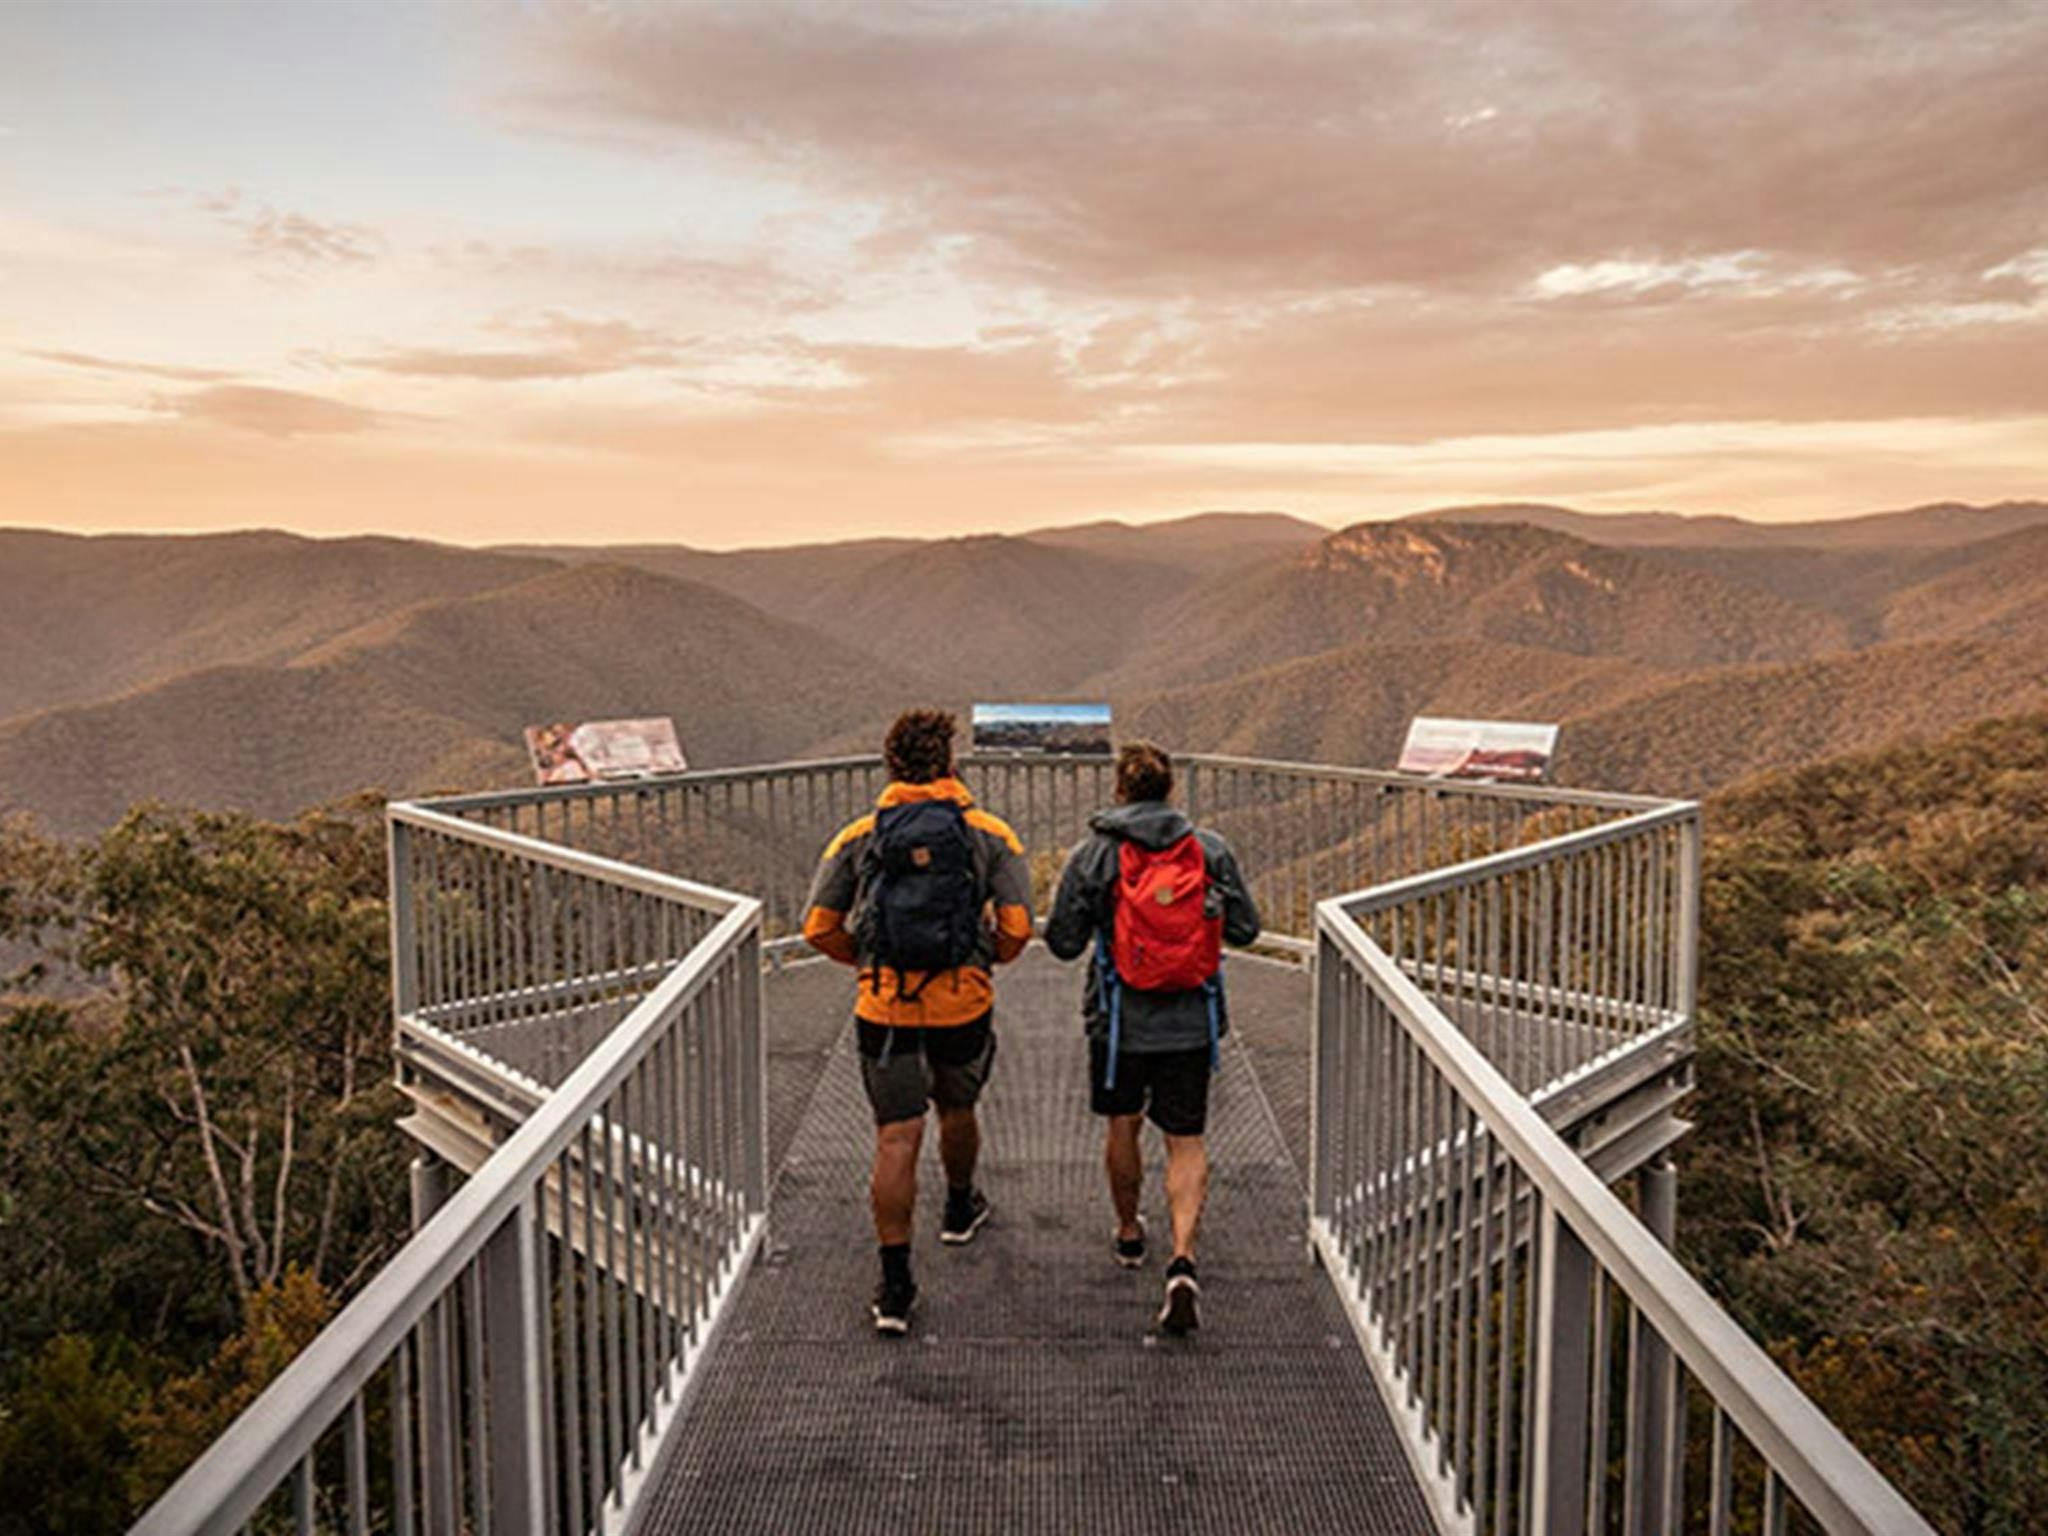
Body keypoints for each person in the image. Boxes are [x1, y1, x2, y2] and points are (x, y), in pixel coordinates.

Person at [803, 708, 1033, 1335]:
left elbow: (817, 928)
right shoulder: (990, 834)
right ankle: (959, 1209)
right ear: (951, 766)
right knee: (957, 1111)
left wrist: (869, 963)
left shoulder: (859, 837)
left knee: (895, 1137)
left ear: (891, 768)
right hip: (963, 1001)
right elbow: (1017, 930)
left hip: (884, 1006)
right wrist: (980, 960)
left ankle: (896, 1284)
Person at [1045, 741, 1260, 1334]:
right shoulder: (1209, 850)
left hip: (1118, 1023)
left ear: (1119, 791)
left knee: (1123, 1125)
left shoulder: (1094, 855)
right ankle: (1183, 1256)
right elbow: (1246, 929)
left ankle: (1129, 1231)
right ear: (1170, 791)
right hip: (1191, 1022)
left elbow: (1062, 942)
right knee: (1185, 1139)